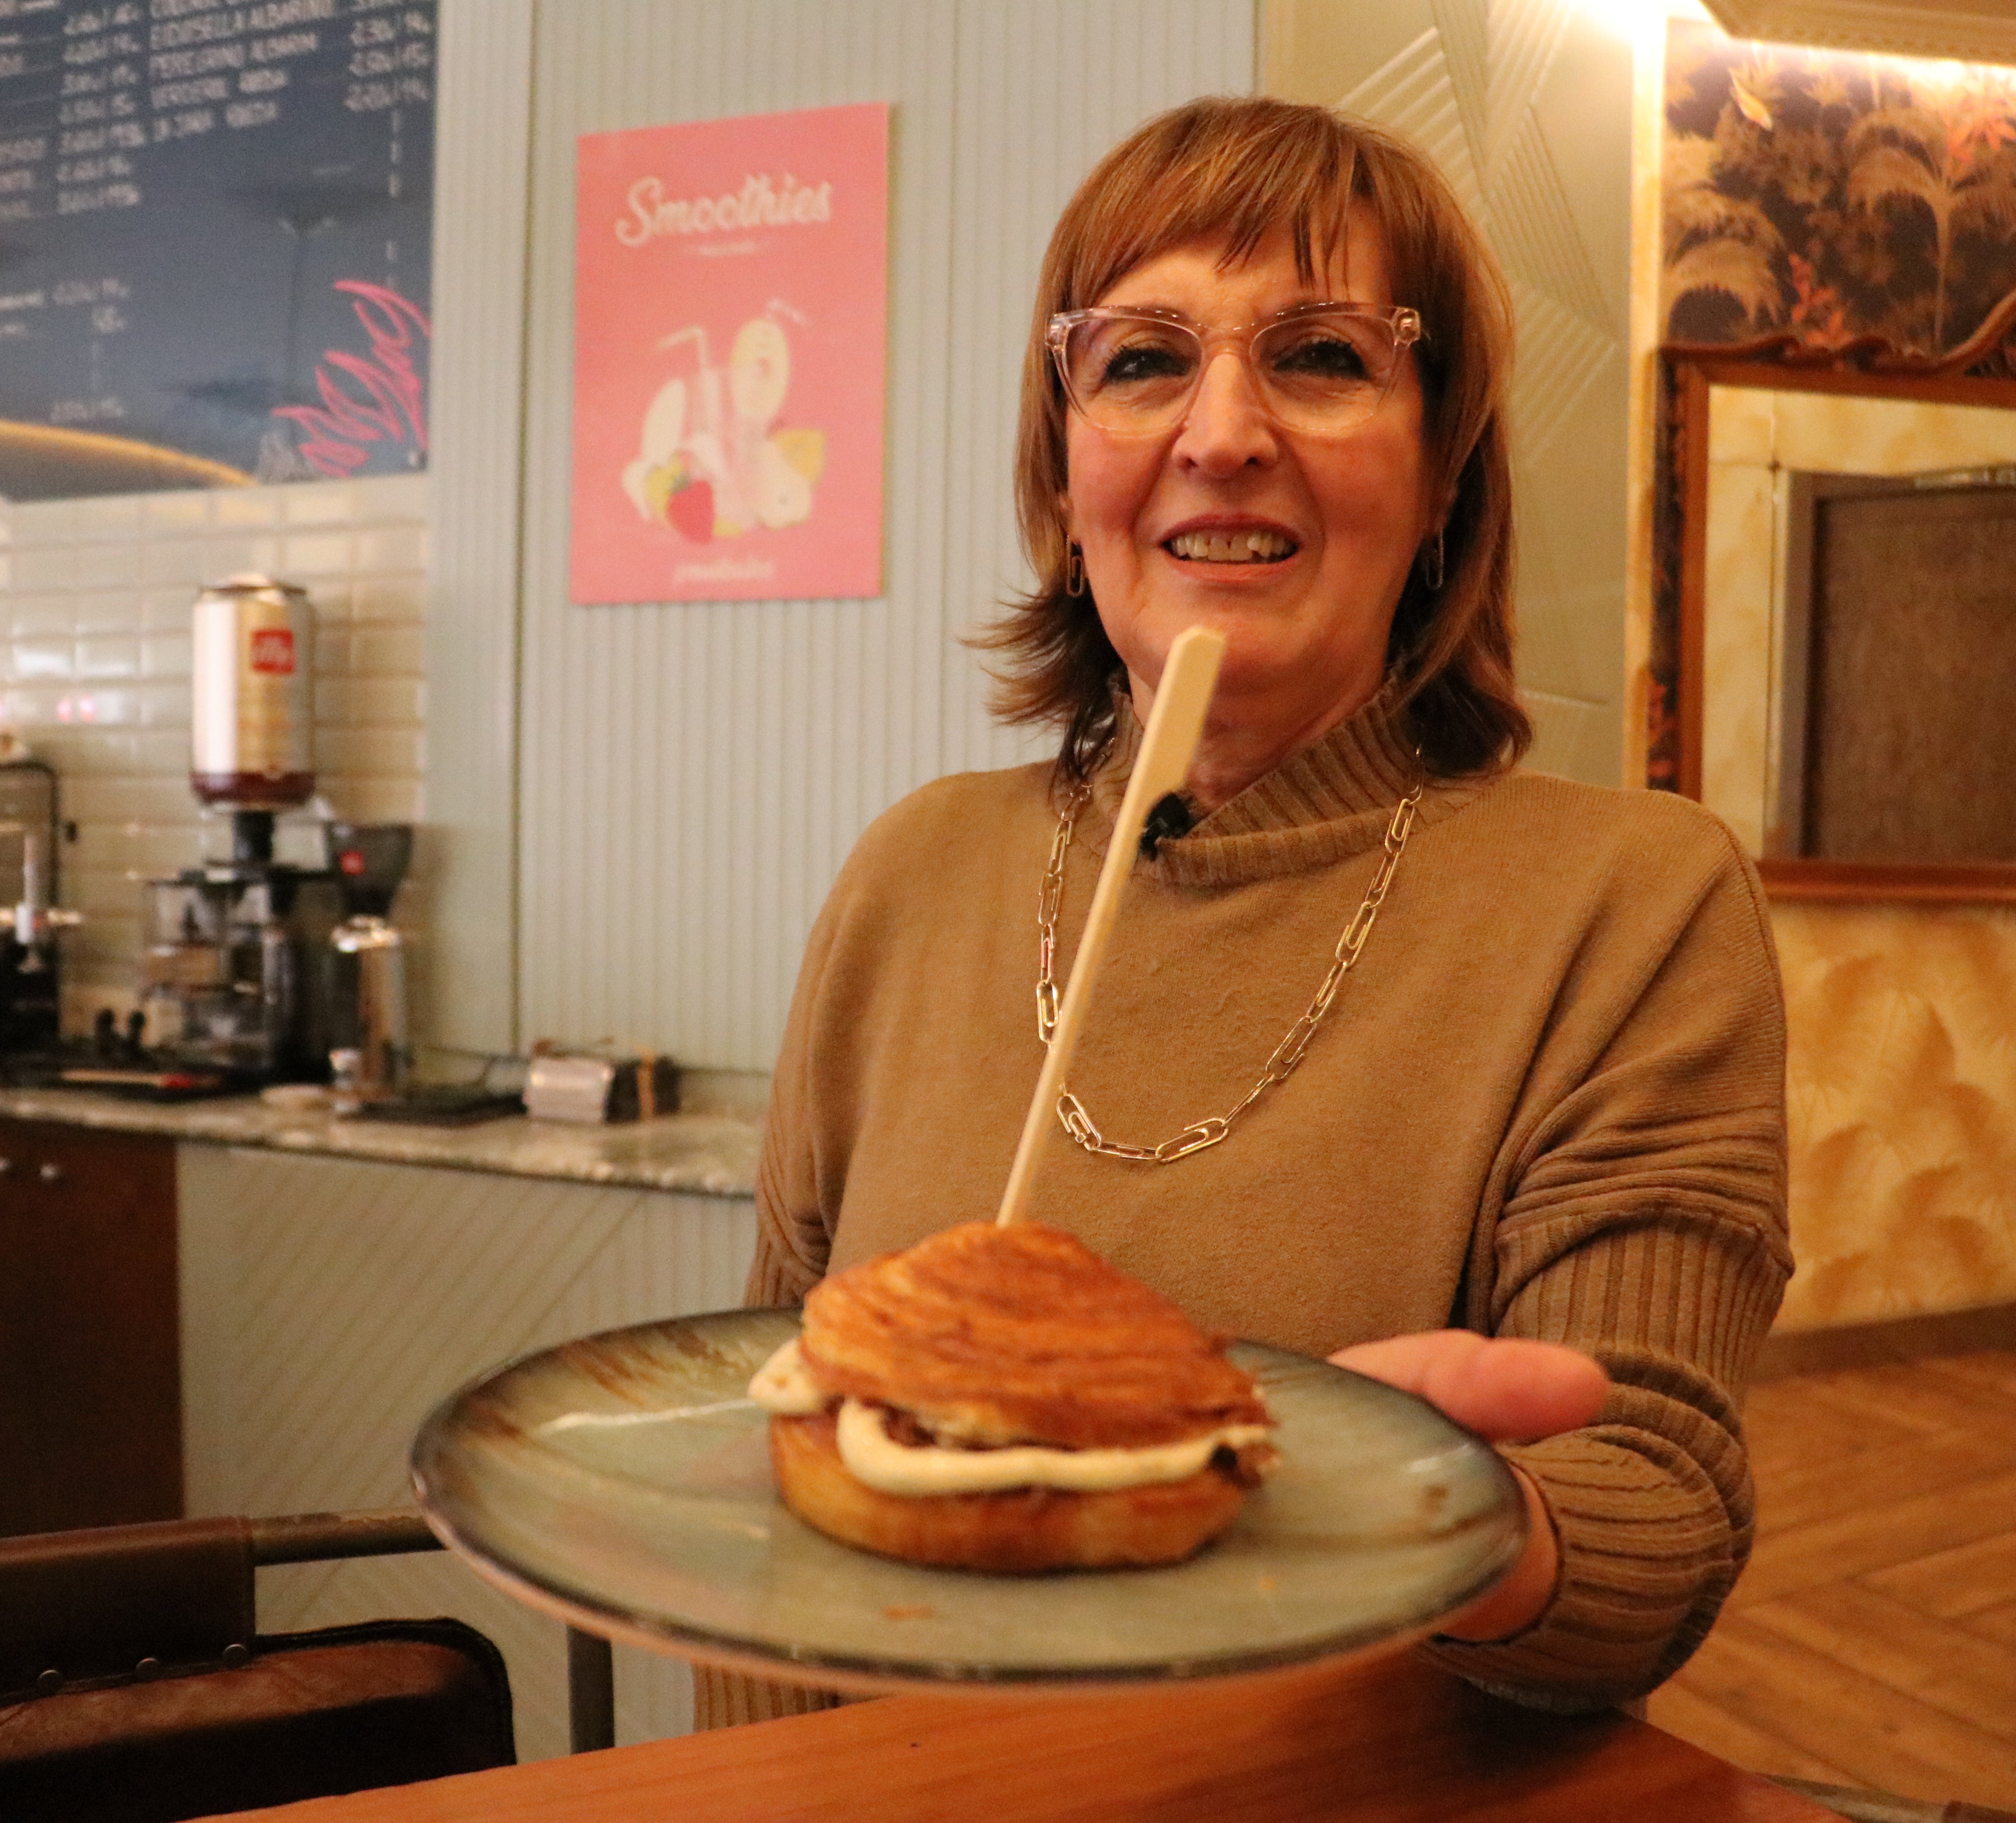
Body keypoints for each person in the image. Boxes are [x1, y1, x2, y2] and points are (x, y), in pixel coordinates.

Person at [701, 95, 1789, 1727]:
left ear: (1441, 486)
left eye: (1322, 358)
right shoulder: (910, 877)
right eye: (1143, 361)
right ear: (1070, 483)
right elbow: (782, 1433)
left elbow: (1657, 1514)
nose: (1220, 432)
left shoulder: (1632, 909)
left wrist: (1453, 1520)